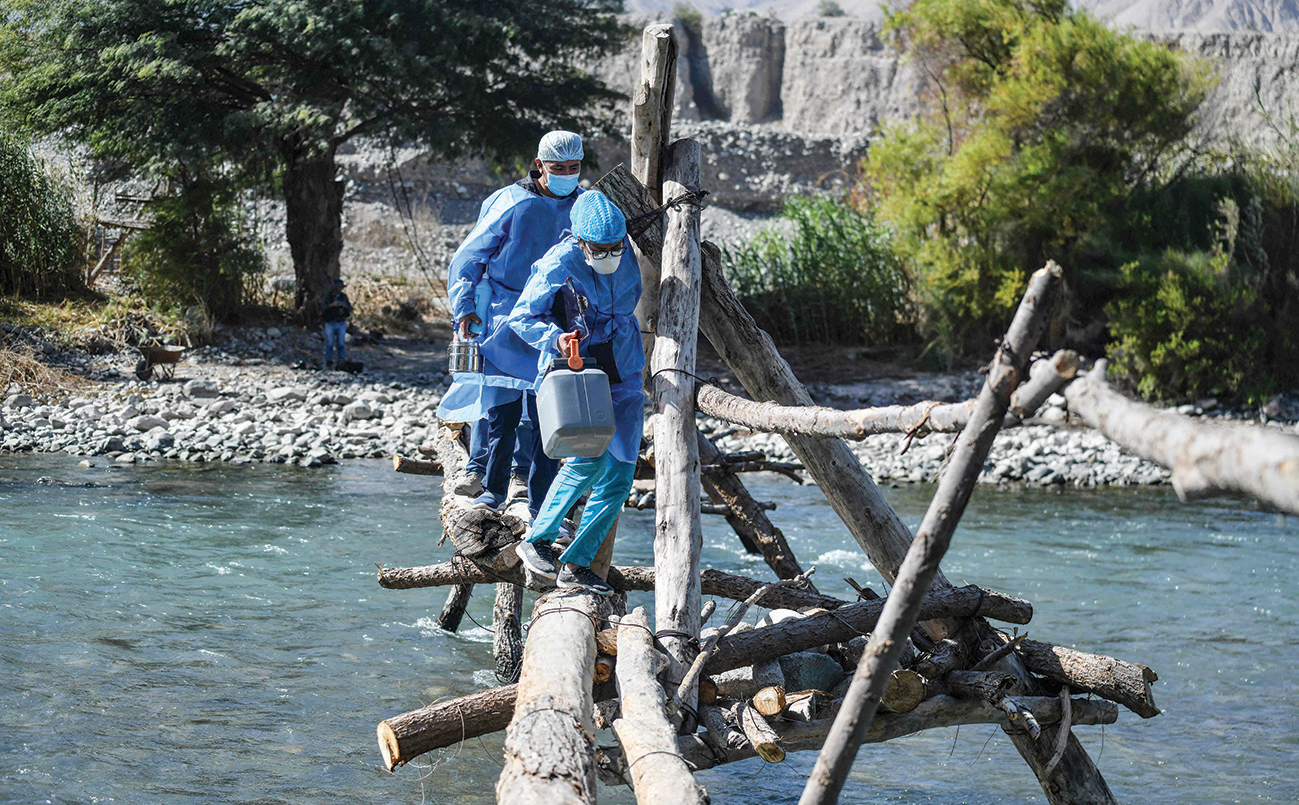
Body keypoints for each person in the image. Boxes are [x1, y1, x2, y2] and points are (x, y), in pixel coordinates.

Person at [435, 130, 586, 517]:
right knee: (500, 413)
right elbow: (468, 258)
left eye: (574, 167)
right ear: (540, 166)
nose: (567, 174)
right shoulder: (511, 201)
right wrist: (464, 306)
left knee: (545, 418)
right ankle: (492, 488)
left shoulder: (585, 205)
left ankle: (541, 505)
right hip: (503, 319)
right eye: (559, 168)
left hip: (552, 324)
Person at [509, 191, 642, 596]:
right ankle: (536, 541)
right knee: (586, 462)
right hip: (580, 370)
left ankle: (577, 563)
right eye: (600, 249)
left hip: (626, 371)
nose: (609, 254)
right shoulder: (558, 262)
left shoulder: (627, 253)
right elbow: (521, 317)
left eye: (615, 247)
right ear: (580, 242)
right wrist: (556, 339)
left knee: (620, 474)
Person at [320, 278, 352, 369]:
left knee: (341, 344)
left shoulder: (344, 297)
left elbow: (350, 308)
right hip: (330, 322)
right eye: (338, 287)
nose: (339, 289)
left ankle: (341, 361)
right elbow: (322, 308)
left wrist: (345, 306)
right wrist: (331, 305)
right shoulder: (328, 297)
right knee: (329, 343)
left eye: (341, 287)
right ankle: (328, 361)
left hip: (341, 322)